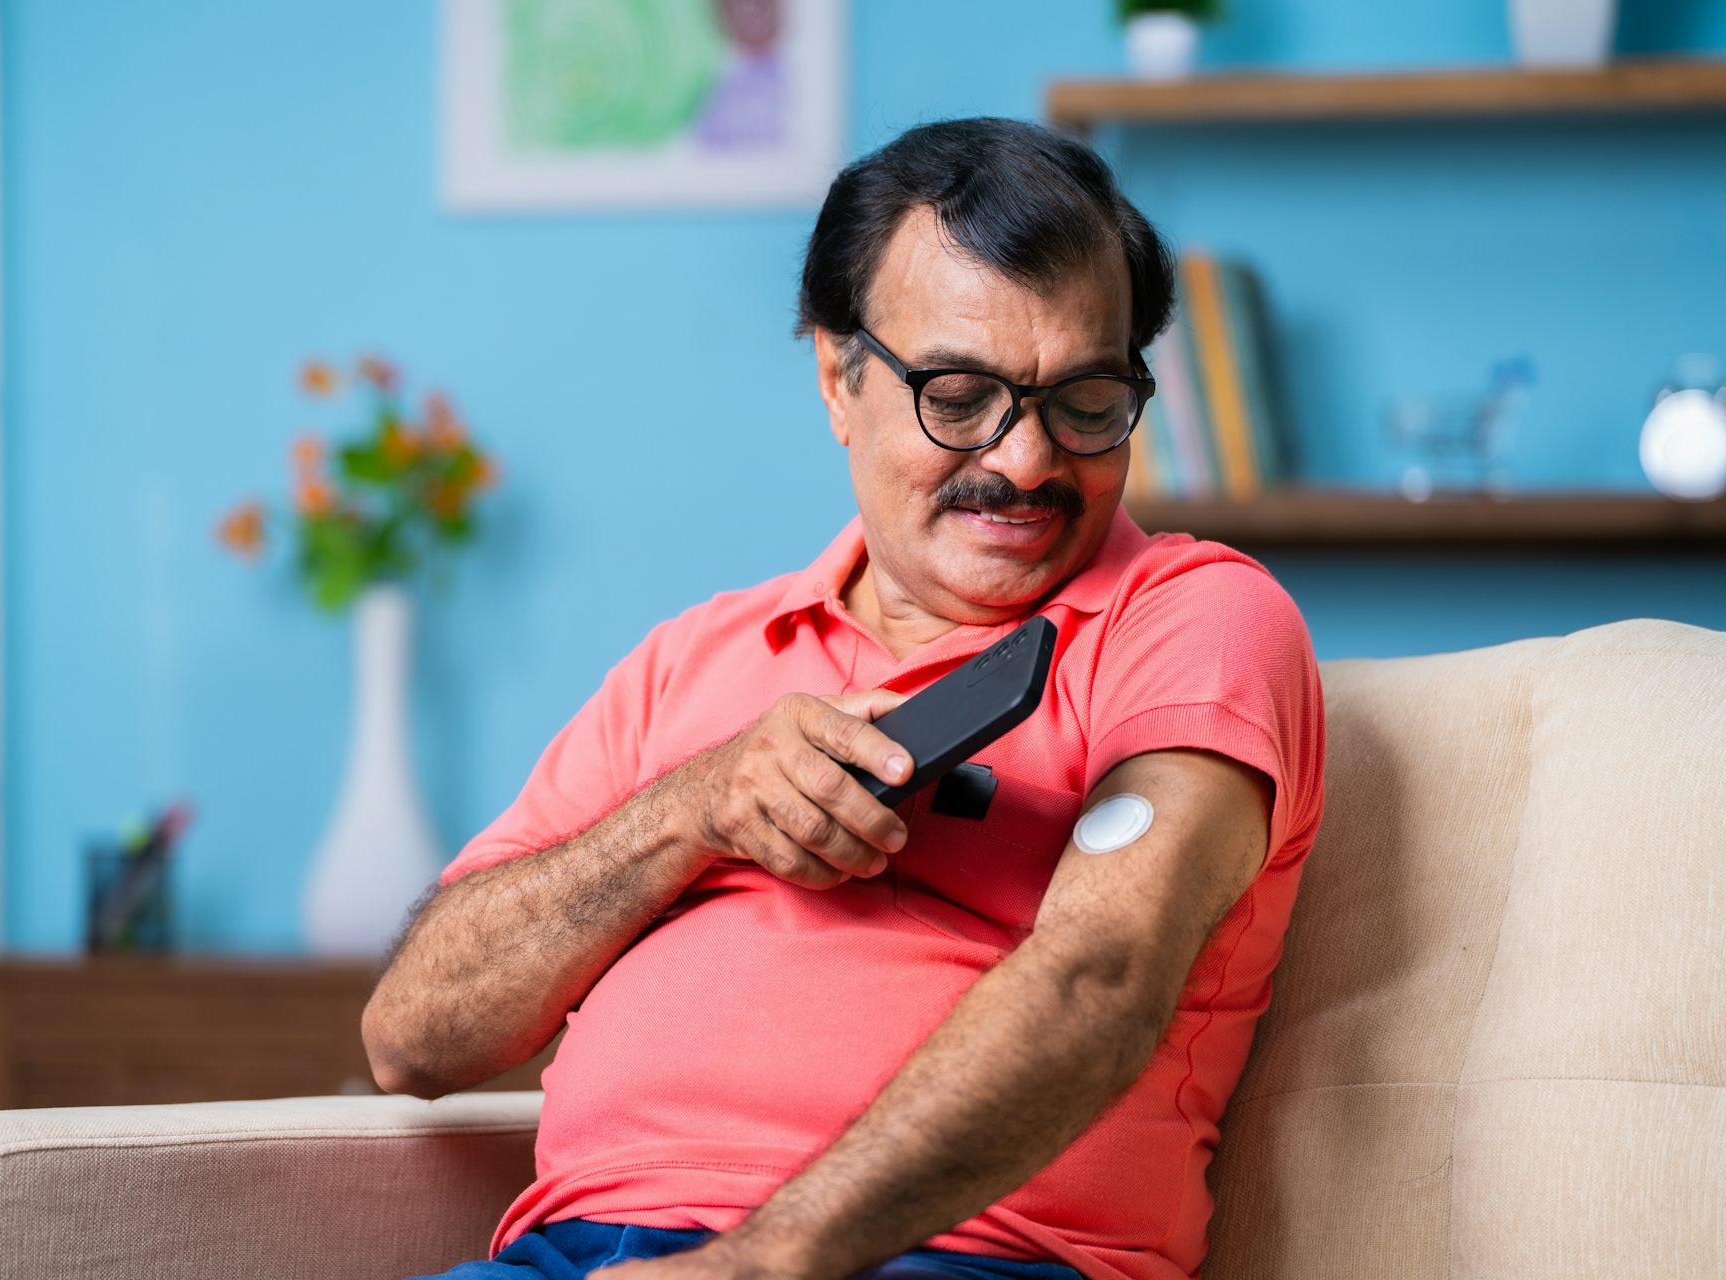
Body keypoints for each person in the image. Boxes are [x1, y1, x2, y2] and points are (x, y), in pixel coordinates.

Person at [364, 116, 1326, 1280]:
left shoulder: (1190, 618)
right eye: (961, 395)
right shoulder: (693, 656)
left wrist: (758, 1264)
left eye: (1085, 399)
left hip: (971, 1259)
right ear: (839, 375)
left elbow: (1102, 978)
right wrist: (695, 808)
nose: (1026, 461)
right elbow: (411, 1034)